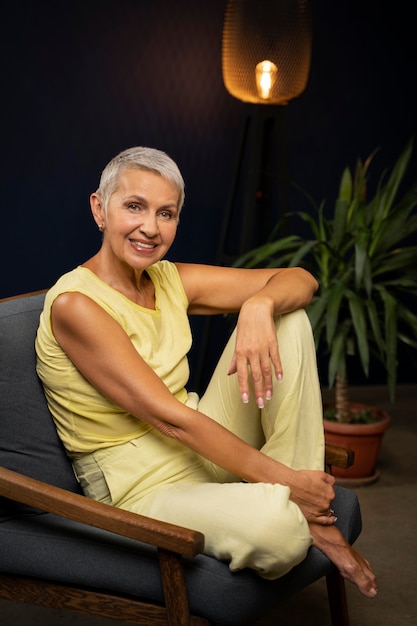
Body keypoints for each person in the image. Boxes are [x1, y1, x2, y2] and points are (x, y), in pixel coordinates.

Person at [35, 146, 377, 596]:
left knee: (286, 316)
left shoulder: (169, 279)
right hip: (141, 485)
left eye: (166, 213)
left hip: (201, 443)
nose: (150, 228)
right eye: (133, 207)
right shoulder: (76, 305)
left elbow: (302, 279)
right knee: (281, 533)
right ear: (100, 208)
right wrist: (289, 482)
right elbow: (169, 419)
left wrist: (260, 303)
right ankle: (301, 508)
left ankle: (310, 511)